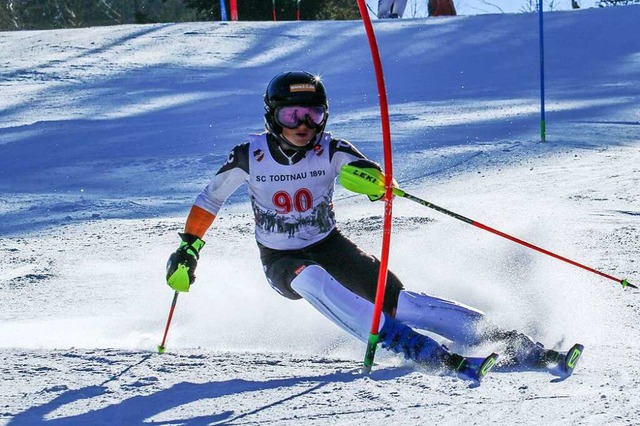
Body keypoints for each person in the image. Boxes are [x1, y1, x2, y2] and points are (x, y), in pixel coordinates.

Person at [166, 71, 582, 382]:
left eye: (313, 114)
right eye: (292, 114)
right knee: (309, 278)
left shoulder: (332, 149)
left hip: (330, 245)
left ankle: (511, 341)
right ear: (273, 116)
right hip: (281, 257)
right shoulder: (250, 154)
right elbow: (210, 199)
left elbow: (372, 176)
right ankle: (409, 344)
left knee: (402, 302)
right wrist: (189, 247)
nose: (302, 125)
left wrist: (382, 187)